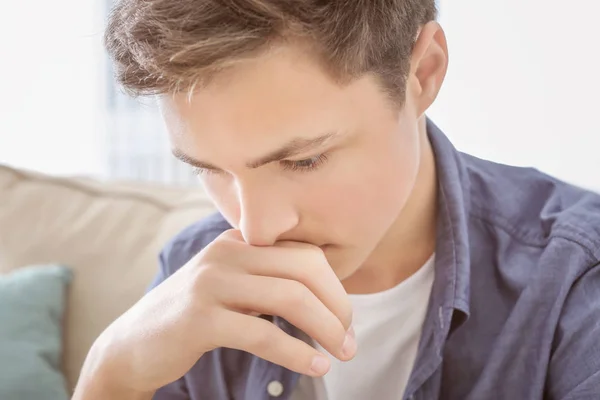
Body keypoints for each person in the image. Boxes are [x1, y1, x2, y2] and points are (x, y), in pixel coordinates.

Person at [73, 1, 600, 399]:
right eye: (208, 169)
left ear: (423, 73)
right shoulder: (190, 280)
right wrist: (111, 371)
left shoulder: (575, 277)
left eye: (303, 161)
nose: (256, 231)